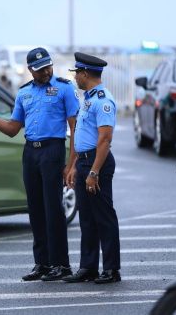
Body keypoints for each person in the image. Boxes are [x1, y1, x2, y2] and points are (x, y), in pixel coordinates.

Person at [0, 47, 80, 281]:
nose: (46, 71)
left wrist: (72, 164)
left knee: (54, 209)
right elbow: (12, 130)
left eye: (48, 66)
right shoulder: (24, 93)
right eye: (40, 69)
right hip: (31, 152)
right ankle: (42, 263)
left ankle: (61, 264)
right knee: (36, 209)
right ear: (30, 70)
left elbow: (74, 127)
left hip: (53, 149)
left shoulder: (64, 88)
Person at [62, 52, 122, 284]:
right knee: (86, 219)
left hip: (98, 163)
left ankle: (111, 269)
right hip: (85, 161)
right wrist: (77, 165)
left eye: (77, 73)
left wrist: (93, 172)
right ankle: (88, 267)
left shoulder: (103, 101)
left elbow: (104, 140)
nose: (76, 77)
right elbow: (84, 136)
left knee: (104, 218)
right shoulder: (88, 98)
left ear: (85, 73)